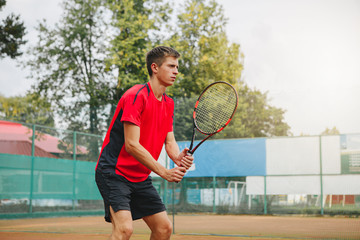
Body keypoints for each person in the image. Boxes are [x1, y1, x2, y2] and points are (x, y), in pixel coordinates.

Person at [95, 46, 194, 240]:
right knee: (124, 229)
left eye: (177, 67)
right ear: (155, 68)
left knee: (164, 228)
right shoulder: (135, 96)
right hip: (114, 173)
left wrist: (177, 157)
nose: (176, 71)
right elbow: (131, 145)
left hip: (140, 177)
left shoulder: (168, 103)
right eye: (171, 66)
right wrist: (164, 171)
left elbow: (169, 140)